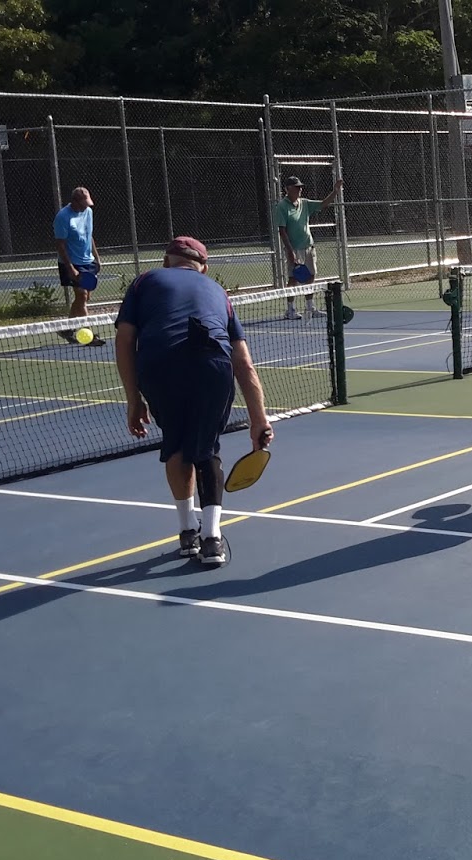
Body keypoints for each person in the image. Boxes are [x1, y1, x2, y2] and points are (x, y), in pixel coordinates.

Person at [114, 236, 274, 567]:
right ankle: (212, 539)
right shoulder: (217, 291)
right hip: (211, 364)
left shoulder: (143, 281)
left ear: (165, 261)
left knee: (177, 446)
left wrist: (133, 399)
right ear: (204, 267)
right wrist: (259, 419)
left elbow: (124, 340)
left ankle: (188, 531)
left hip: (159, 365)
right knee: (206, 449)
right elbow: (243, 362)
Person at [274, 174, 342, 321]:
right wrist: (290, 251)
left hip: (308, 246)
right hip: (294, 248)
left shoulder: (304, 203)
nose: (300, 190)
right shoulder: (282, 207)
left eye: (300, 187)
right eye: (297, 187)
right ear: (288, 189)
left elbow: (323, 204)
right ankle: (290, 310)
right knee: (293, 279)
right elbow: (282, 231)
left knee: (311, 276)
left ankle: (310, 307)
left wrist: (335, 191)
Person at [54, 187, 103, 345]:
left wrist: (97, 258)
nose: (86, 206)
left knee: (84, 298)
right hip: (71, 262)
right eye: (83, 203)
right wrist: (70, 268)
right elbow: (60, 245)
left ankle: (67, 329)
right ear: (75, 201)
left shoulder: (88, 211)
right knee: (81, 296)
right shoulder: (63, 217)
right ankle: (88, 335)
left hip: (87, 261)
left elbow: (89, 235)